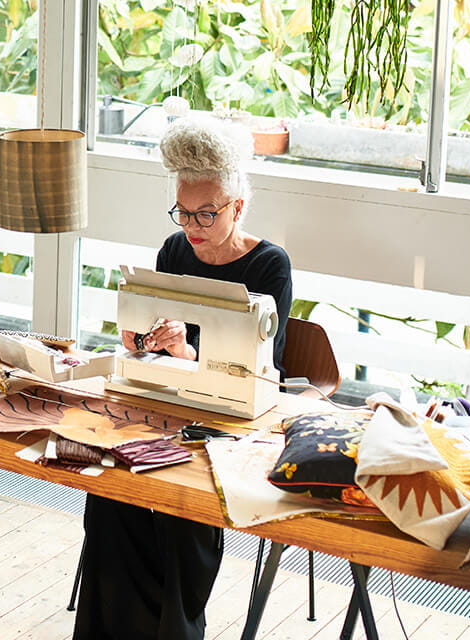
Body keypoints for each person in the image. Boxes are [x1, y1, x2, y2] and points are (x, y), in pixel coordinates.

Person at [74, 118, 293, 640]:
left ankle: (174, 628)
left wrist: (186, 349)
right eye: (183, 211)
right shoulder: (176, 250)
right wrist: (142, 343)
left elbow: (264, 365)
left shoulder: (268, 266)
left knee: (179, 510)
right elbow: (155, 333)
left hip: (231, 415)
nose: (191, 225)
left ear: (237, 207)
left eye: (205, 214)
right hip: (169, 403)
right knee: (107, 492)